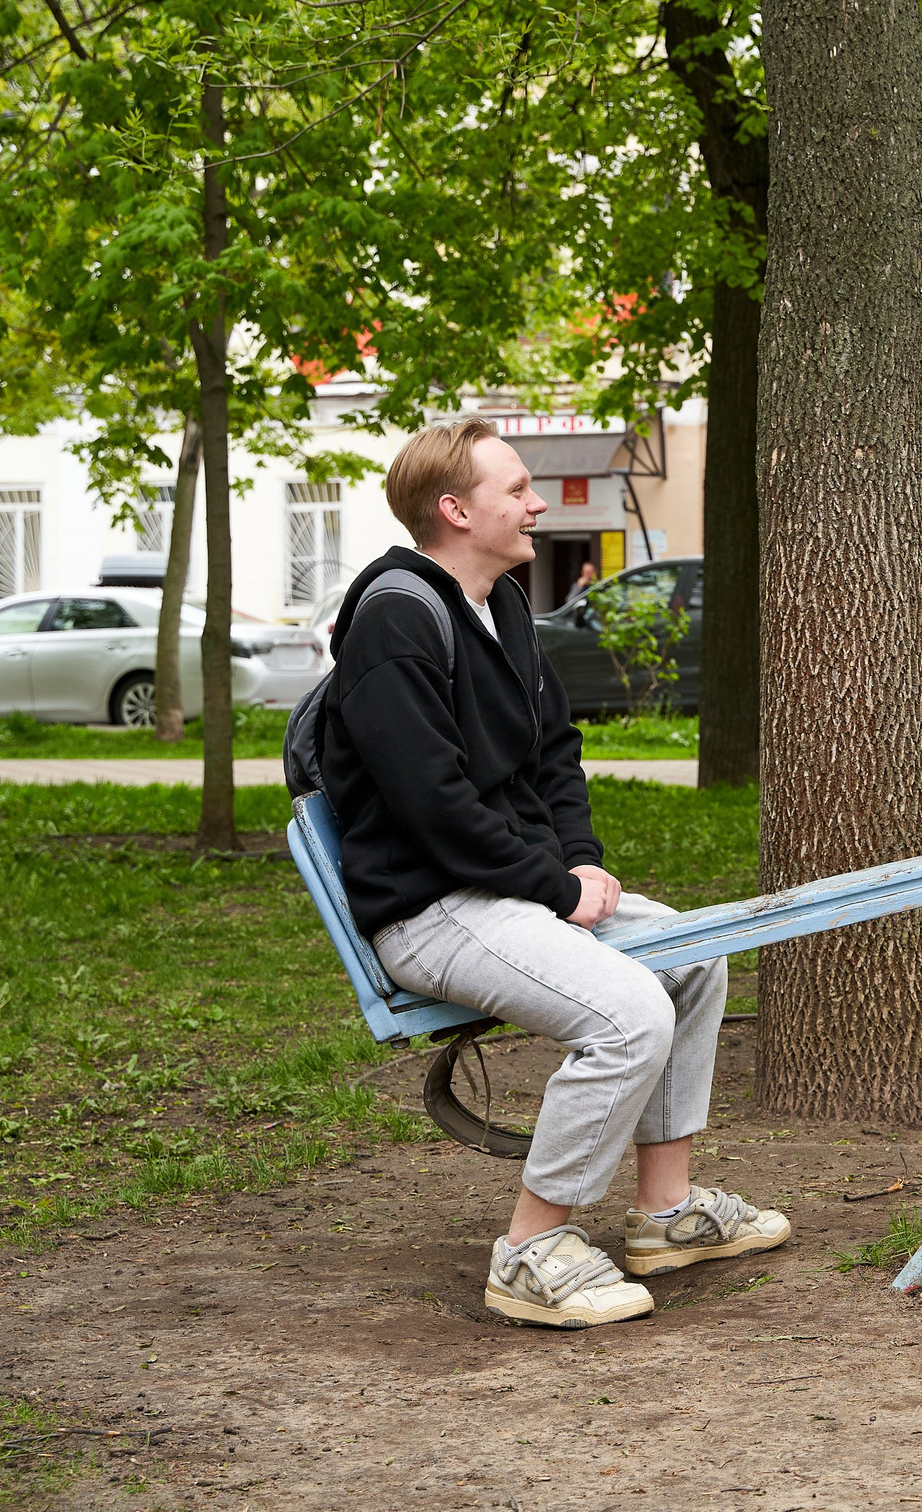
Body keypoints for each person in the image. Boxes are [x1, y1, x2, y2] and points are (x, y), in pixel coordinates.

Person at [322, 416, 789, 1325]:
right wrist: (555, 887)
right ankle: (530, 1251)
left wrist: (578, 860)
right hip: (431, 905)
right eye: (517, 490)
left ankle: (665, 1212)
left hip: (505, 887)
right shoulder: (394, 618)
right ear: (456, 511)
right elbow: (431, 806)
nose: (538, 504)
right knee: (629, 1014)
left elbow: (554, 755)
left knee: (691, 955)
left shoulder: (501, 607)